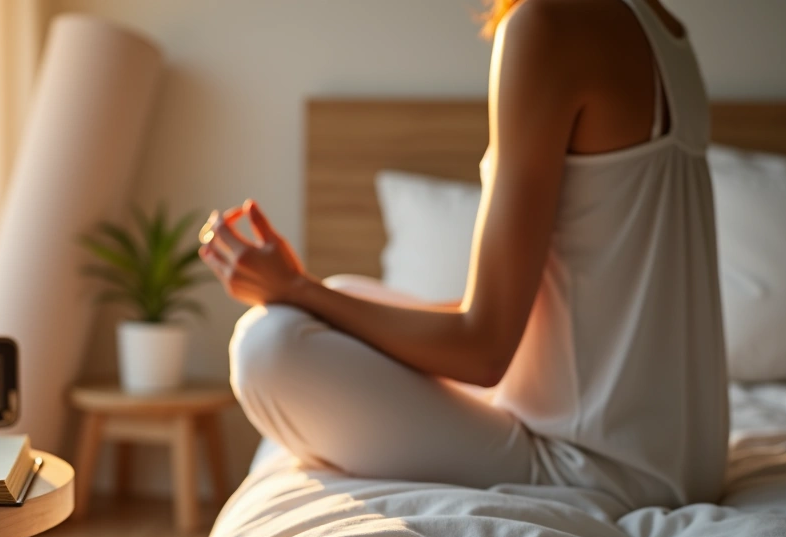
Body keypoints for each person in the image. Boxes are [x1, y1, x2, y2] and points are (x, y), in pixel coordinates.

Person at [198, 0, 727, 509]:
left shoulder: (546, 23)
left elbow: (484, 351)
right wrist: (314, 294)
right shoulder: (662, 28)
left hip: (592, 466)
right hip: (685, 461)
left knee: (267, 347)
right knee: (338, 299)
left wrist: (295, 288)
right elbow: (547, 311)